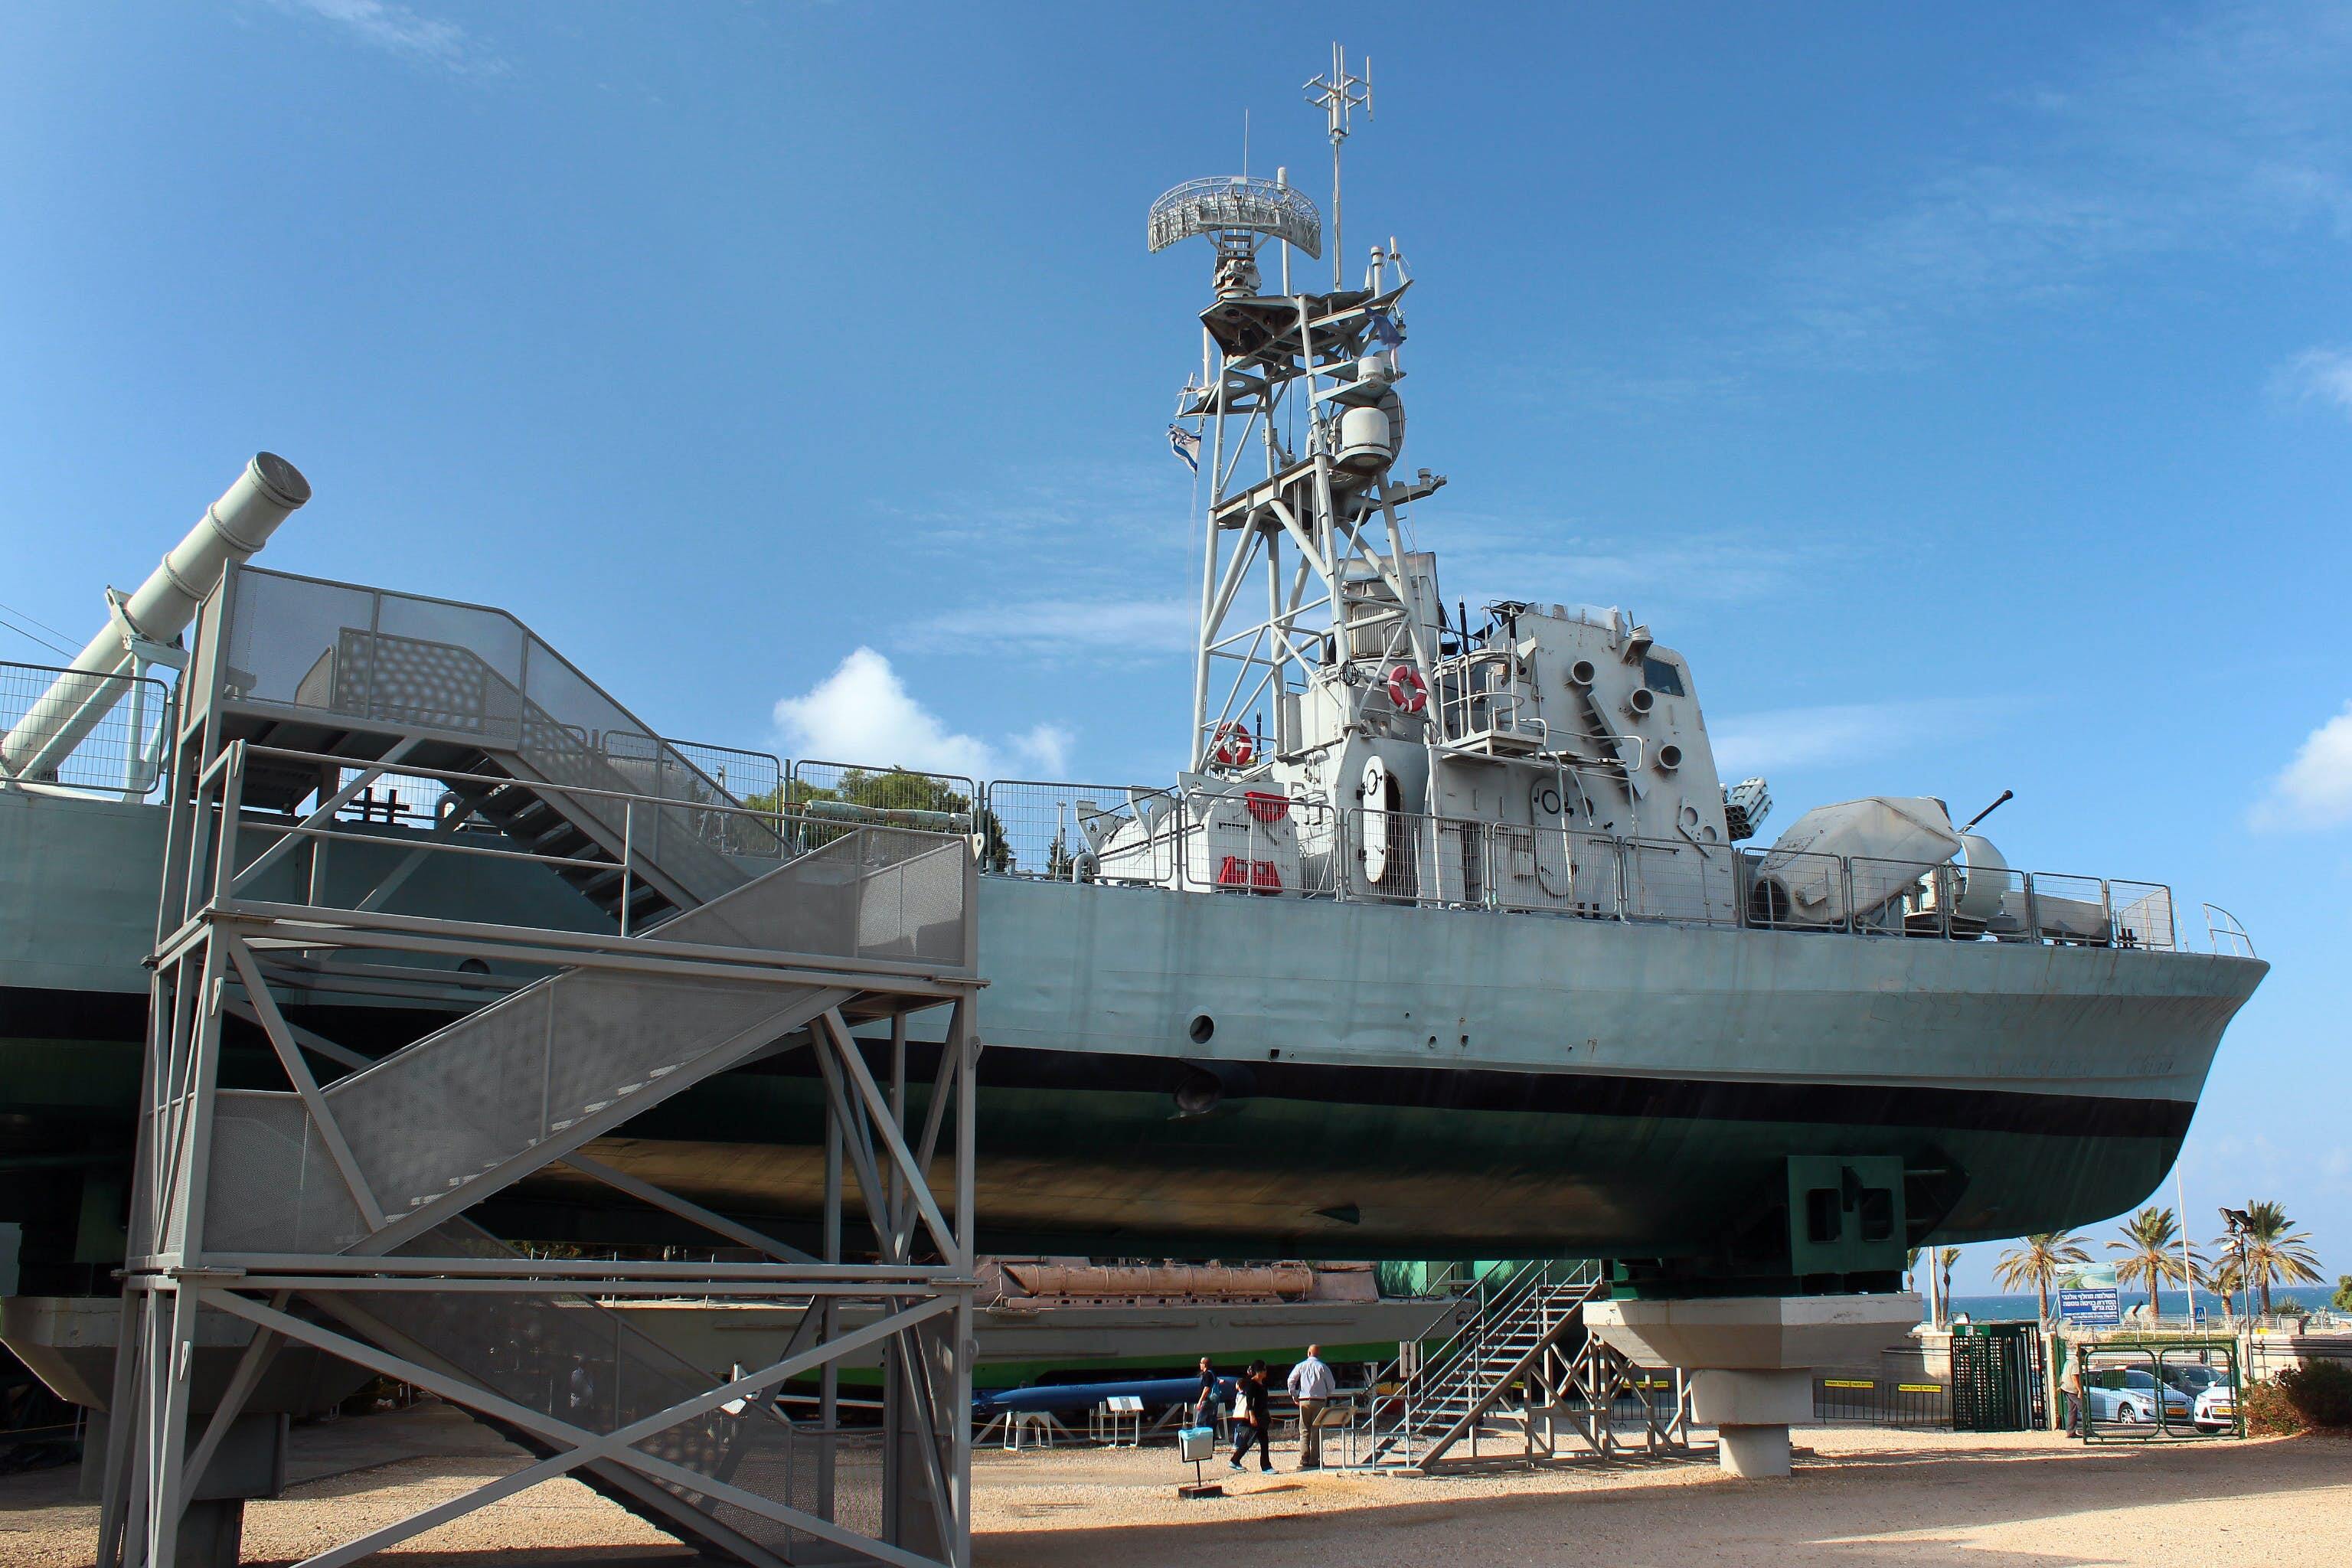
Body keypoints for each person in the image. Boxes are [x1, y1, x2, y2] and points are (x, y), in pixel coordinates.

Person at [1286, 1344, 1335, 1468]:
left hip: (1304, 1400)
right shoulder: (1323, 1367)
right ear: (1319, 1354)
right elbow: (1332, 1385)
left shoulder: (1301, 1366)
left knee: (1304, 1430)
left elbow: (1291, 1380)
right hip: (1319, 1400)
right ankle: (1315, 1459)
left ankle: (1305, 1458)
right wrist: (1325, 1394)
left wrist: (1295, 1395)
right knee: (1316, 1430)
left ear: (1308, 1353)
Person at [1229, 1361, 1274, 1473]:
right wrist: (1252, 1416)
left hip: (1262, 1416)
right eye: (1264, 1369)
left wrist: (1268, 1415)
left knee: (1262, 1441)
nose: (1266, 1371)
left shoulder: (1262, 1385)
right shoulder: (1252, 1384)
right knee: (1250, 1441)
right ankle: (1235, 1460)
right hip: (1256, 1417)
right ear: (1258, 1371)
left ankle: (1265, 1466)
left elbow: (1263, 1403)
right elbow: (1249, 1401)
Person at [1192, 1355, 1220, 1429]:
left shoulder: (1207, 1374)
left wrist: (1200, 1401)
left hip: (1207, 1401)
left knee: (1199, 1422)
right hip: (1213, 1401)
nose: (1200, 1364)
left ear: (1204, 1365)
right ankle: (1210, 1439)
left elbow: (1206, 1389)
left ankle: (1200, 1439)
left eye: (1201, 1363)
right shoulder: (1212, 1373)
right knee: (1209, 1422)